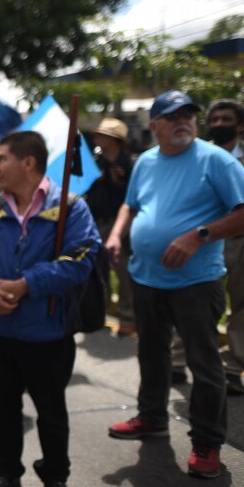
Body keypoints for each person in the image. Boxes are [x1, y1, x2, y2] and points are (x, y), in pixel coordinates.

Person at [106, 90, 244, 480]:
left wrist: (200, 235)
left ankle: (207, 442)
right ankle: (152, 417)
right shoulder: (146, 162)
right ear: (154, 125)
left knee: (204, 364)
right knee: (152, 354)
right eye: (172, 117)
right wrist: (118, 234)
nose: (183, 122)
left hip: (196, 282)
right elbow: (131, 204)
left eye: (188, 115)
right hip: (146, 277)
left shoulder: (216, 160)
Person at [0, 130, 100, 487]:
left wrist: (26, 284)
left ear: (28, 163)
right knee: (5, 408)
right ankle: (6, 471)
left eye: (2, 158)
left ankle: (55, 478)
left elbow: (81, 260)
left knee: (51, 411)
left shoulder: (70, 207)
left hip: (48, 332)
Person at [204, 99, 244, 396]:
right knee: (196, 302)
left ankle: (234, 369)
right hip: (206, 240)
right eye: (214, 119)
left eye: (226, 119)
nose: (219, 124)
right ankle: (179, 360)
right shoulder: (199, 155)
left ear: (240, 125)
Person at [85, 118, 135, 337]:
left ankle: (127, 318)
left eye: (102, 135)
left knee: (124, 271)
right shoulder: (95, 162)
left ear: (114, 140)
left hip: (121, 223)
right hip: (97, 221)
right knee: (98, 270)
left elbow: (132, 196)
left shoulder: (130, 164)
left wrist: (116, 180)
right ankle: (99, 312)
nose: (97, 139)